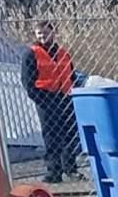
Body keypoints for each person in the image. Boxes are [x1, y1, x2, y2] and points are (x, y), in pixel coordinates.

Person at [22, 20, 80, 184]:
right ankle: (53, 171)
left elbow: (71, 75)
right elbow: (28, 81)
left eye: (45, 32)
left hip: (65, 97)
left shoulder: (63, 53)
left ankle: (70, 168)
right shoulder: (31, 54)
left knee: (69, 135)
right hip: (46, 99)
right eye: (39, 33)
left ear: (53, 33)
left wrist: (72, 92)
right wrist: (42, 99)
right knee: (51, 135)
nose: (42, 36)